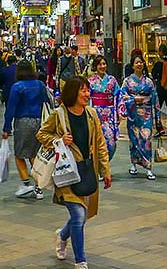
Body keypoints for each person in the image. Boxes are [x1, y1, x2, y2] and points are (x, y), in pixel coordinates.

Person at [36, 76, 113, 269]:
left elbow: (100, 143)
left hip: (87, 170)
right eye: (83, 90)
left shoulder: (91, 114)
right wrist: (58, 140)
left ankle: (62, 235)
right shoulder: (59, 114)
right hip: (66, 171)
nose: (87, 94)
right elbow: (41, 134)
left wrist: (105, 170)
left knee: (83, 215)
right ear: (73, 93)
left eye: (88, 90)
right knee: (78, 215)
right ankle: (81, 261)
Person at [1, 60, 53, 199]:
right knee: (35, 155)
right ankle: (38, 187)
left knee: (20, 154)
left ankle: (26, 183)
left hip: (22, 122)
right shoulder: (40, 85)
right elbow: (47, 102)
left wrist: (6, 128)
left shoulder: (17, 87)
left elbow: (11, 108)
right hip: (39, 122)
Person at [121, 53, 159, 180]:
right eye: (136, 62)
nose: (139, 64)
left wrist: (158, 117)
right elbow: (122, 96)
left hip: (146, 114)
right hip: (133, 113)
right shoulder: (127, 81)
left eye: (141, 62)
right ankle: (133, 163)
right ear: (132, 65)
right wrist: (134, 99)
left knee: (146, 139)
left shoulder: (149, 82)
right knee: (134, 140)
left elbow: (155, 98)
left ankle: (148, 167)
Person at [87, 56, 120, 160]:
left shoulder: (112, 80)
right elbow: (87, 97)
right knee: (96, 141)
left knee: (111, 143)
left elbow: (118, 95)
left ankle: (105, 162)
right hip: (95, 113)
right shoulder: (90, 81)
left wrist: (119, 111)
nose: (102, 66)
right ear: (95, 66)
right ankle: (99, 164)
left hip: (109, 114)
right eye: (100, 64)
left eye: (104, 64)